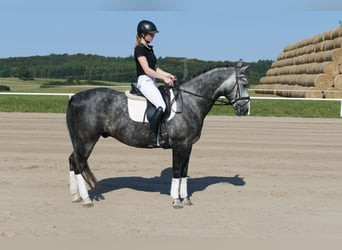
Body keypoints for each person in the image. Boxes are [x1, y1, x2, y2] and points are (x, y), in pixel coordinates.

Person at [134, 20, 176, 147]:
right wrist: (163, 79)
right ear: (142, 34)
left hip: (151, 81)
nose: (152, 36)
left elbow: (155, 68)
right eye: (150, 34)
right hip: (144, 81)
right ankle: (153, 137)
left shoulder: (149, 49)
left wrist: (167, 75)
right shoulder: (139, 49)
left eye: (153, 34)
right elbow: (147, 70)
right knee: (161, 106)